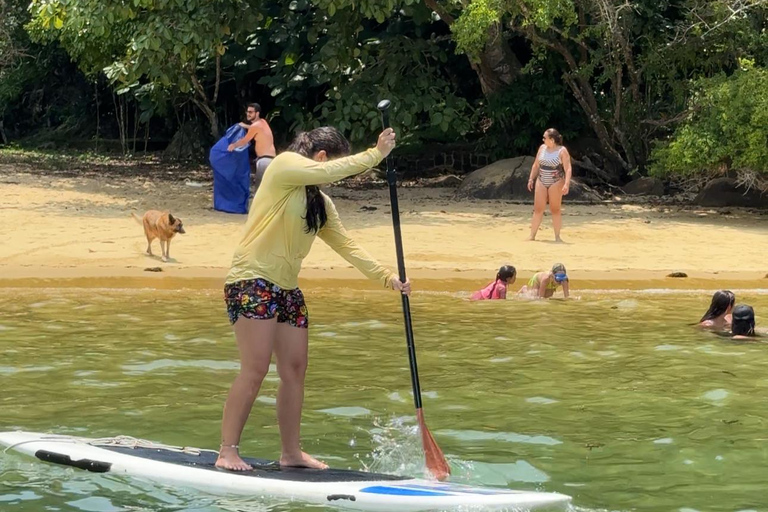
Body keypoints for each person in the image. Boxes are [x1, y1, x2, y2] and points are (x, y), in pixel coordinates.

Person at [216, 126, 408, 472]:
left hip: (287, 289)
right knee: (256, 367)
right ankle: (227, 450)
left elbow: (346, 245)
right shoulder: (283, 165)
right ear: (321, 156)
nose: (333, 172)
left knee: (294, 369)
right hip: (252, 279)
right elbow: (327, 172)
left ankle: (291, 453)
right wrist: (375, 154)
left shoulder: (319, 203)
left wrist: (386, 277)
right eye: (332, 162)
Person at [526, 128, 573, 242]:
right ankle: (532, 235)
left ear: (551, 139)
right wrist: (531, 178)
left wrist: (566, 184)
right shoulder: (542, 148)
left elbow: (568, 168)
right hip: (541, 179)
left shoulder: (562, 151)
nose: (543, 139)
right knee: (538, 209)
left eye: (545, 138)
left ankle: (557, 236)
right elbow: (536, 165)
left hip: (556, 181)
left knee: (555, 209)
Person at [228, 103, 278, 191]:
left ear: (257, 113)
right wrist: (246, 126)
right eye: (247, 112)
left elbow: (244, 141)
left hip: (264, 161)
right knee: (268, 189)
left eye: (251, 112)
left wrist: (233, 145)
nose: (248, 114)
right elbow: (256, 129)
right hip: (271, 160)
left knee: (259, 190)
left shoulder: (255, 126)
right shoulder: (263, 122)